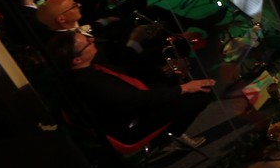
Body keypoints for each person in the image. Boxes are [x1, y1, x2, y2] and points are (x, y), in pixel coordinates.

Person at [45, 31, 214, 146]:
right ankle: (166, 140)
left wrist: (162, 72)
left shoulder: (84, 69)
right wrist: (185, 88)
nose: (92, 40)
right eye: (87, 43)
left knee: (169, 82)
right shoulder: (90, 83)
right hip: (131, 125)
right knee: (202, 94)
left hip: (130, 106)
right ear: (77, 60)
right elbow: (139, 101)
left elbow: (124, 77)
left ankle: (169, 134)